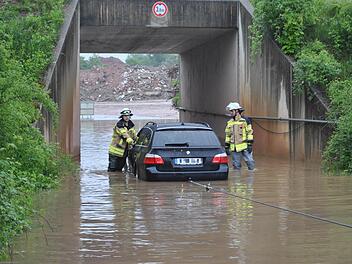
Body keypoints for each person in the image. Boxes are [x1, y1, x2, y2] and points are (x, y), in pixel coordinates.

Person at [225, 102, 255, 170]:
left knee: (250, 163)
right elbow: (228, 135)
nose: (230, 113)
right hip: (234, 148)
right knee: (236, 166)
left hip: (245, 147)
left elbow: (250, 132)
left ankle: (251, 178)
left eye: (231, 111)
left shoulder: (245, 121)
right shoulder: (230, 122)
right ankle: (237, 179)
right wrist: (227, 146)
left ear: (237, 111)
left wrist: (250, 144)